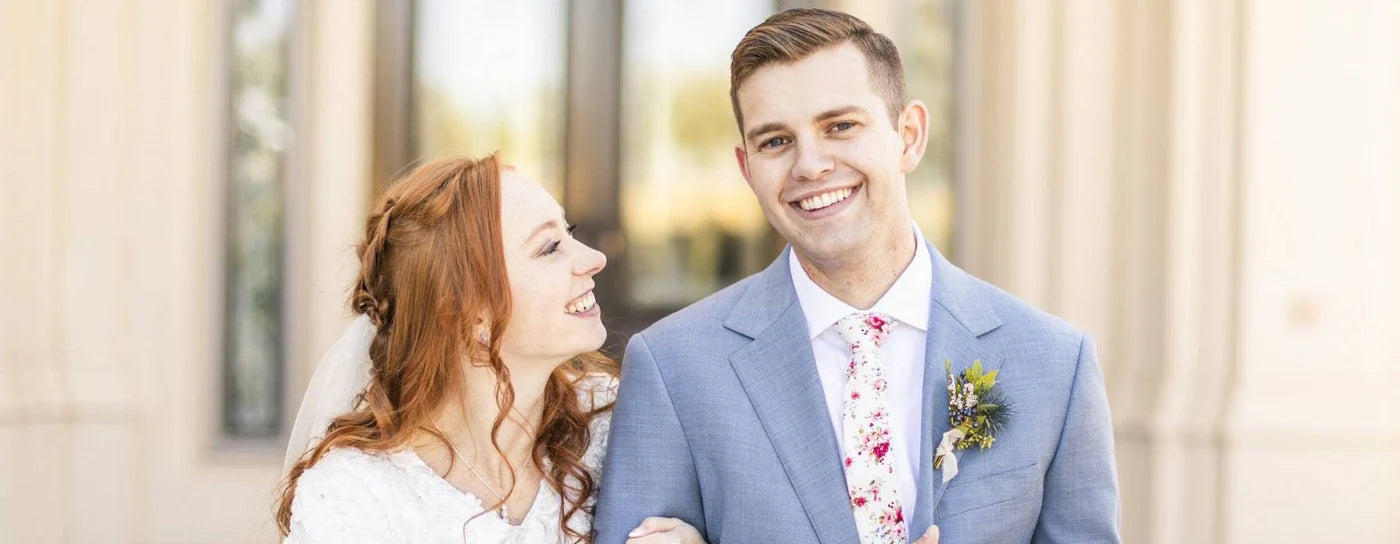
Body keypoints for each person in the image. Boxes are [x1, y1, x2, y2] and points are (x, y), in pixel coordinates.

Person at [595, 9, 1120, 544]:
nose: (810, 165)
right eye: (775, 140)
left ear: (909, 136)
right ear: (747, 168)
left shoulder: (1055, 361)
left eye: (840, 126)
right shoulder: (673, 366)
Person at [276, 154, 701, 543]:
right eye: (550, 247)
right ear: (470, 315)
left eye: (567, 232)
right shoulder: (355, 498)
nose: (594, 258)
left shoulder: (612, 418)